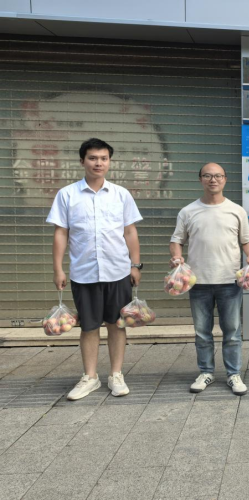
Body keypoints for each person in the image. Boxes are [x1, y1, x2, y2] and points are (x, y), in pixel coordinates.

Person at [47, 138, 143, 400]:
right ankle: (90, 377)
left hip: (118, 271)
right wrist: (58, 269)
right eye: (92, 158)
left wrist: (135, 265)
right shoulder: (67, 194)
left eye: (103, 158)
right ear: (82, 161)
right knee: (89, 326)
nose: (98, 163)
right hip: (84, 273)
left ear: (109, 162)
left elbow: (130, 231)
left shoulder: (121, 194)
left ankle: (116, 374)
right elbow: (61, 233)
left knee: (116, 324)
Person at [170, 163, 249, 396]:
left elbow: (247, 240)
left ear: (225, 179)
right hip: (197, 282)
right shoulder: (188, 211)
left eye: (218, 176)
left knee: (232, 331)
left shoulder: (236, 210)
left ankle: (233, 374)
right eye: (208, 176)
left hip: (230, 281)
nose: (213, 180)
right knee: (202, 332)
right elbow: (176, 240)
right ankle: (206, 372)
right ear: (200, 179)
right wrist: (177, 257)